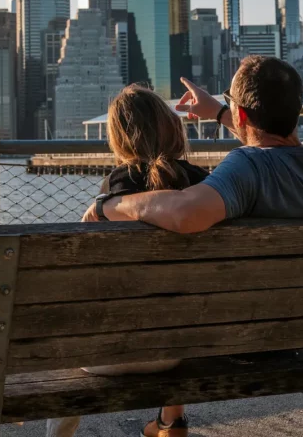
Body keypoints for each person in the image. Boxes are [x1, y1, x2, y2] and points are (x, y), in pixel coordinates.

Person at [81, 55, 303, 436]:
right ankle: (167, 417)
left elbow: (186, 214)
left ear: (242, 116)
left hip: (244, 340)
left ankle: (168, 418)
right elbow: (274, 144)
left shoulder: (245, 169)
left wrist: (107, 204)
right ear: (298, 108)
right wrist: (224, 112)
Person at [45, 84, 209, 437]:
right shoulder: (207, 192)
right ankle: (172, 418)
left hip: (104, 356)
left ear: (120, 140)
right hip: (177, 351)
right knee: (175, 301)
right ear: (173, 127)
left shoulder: (111, 195)